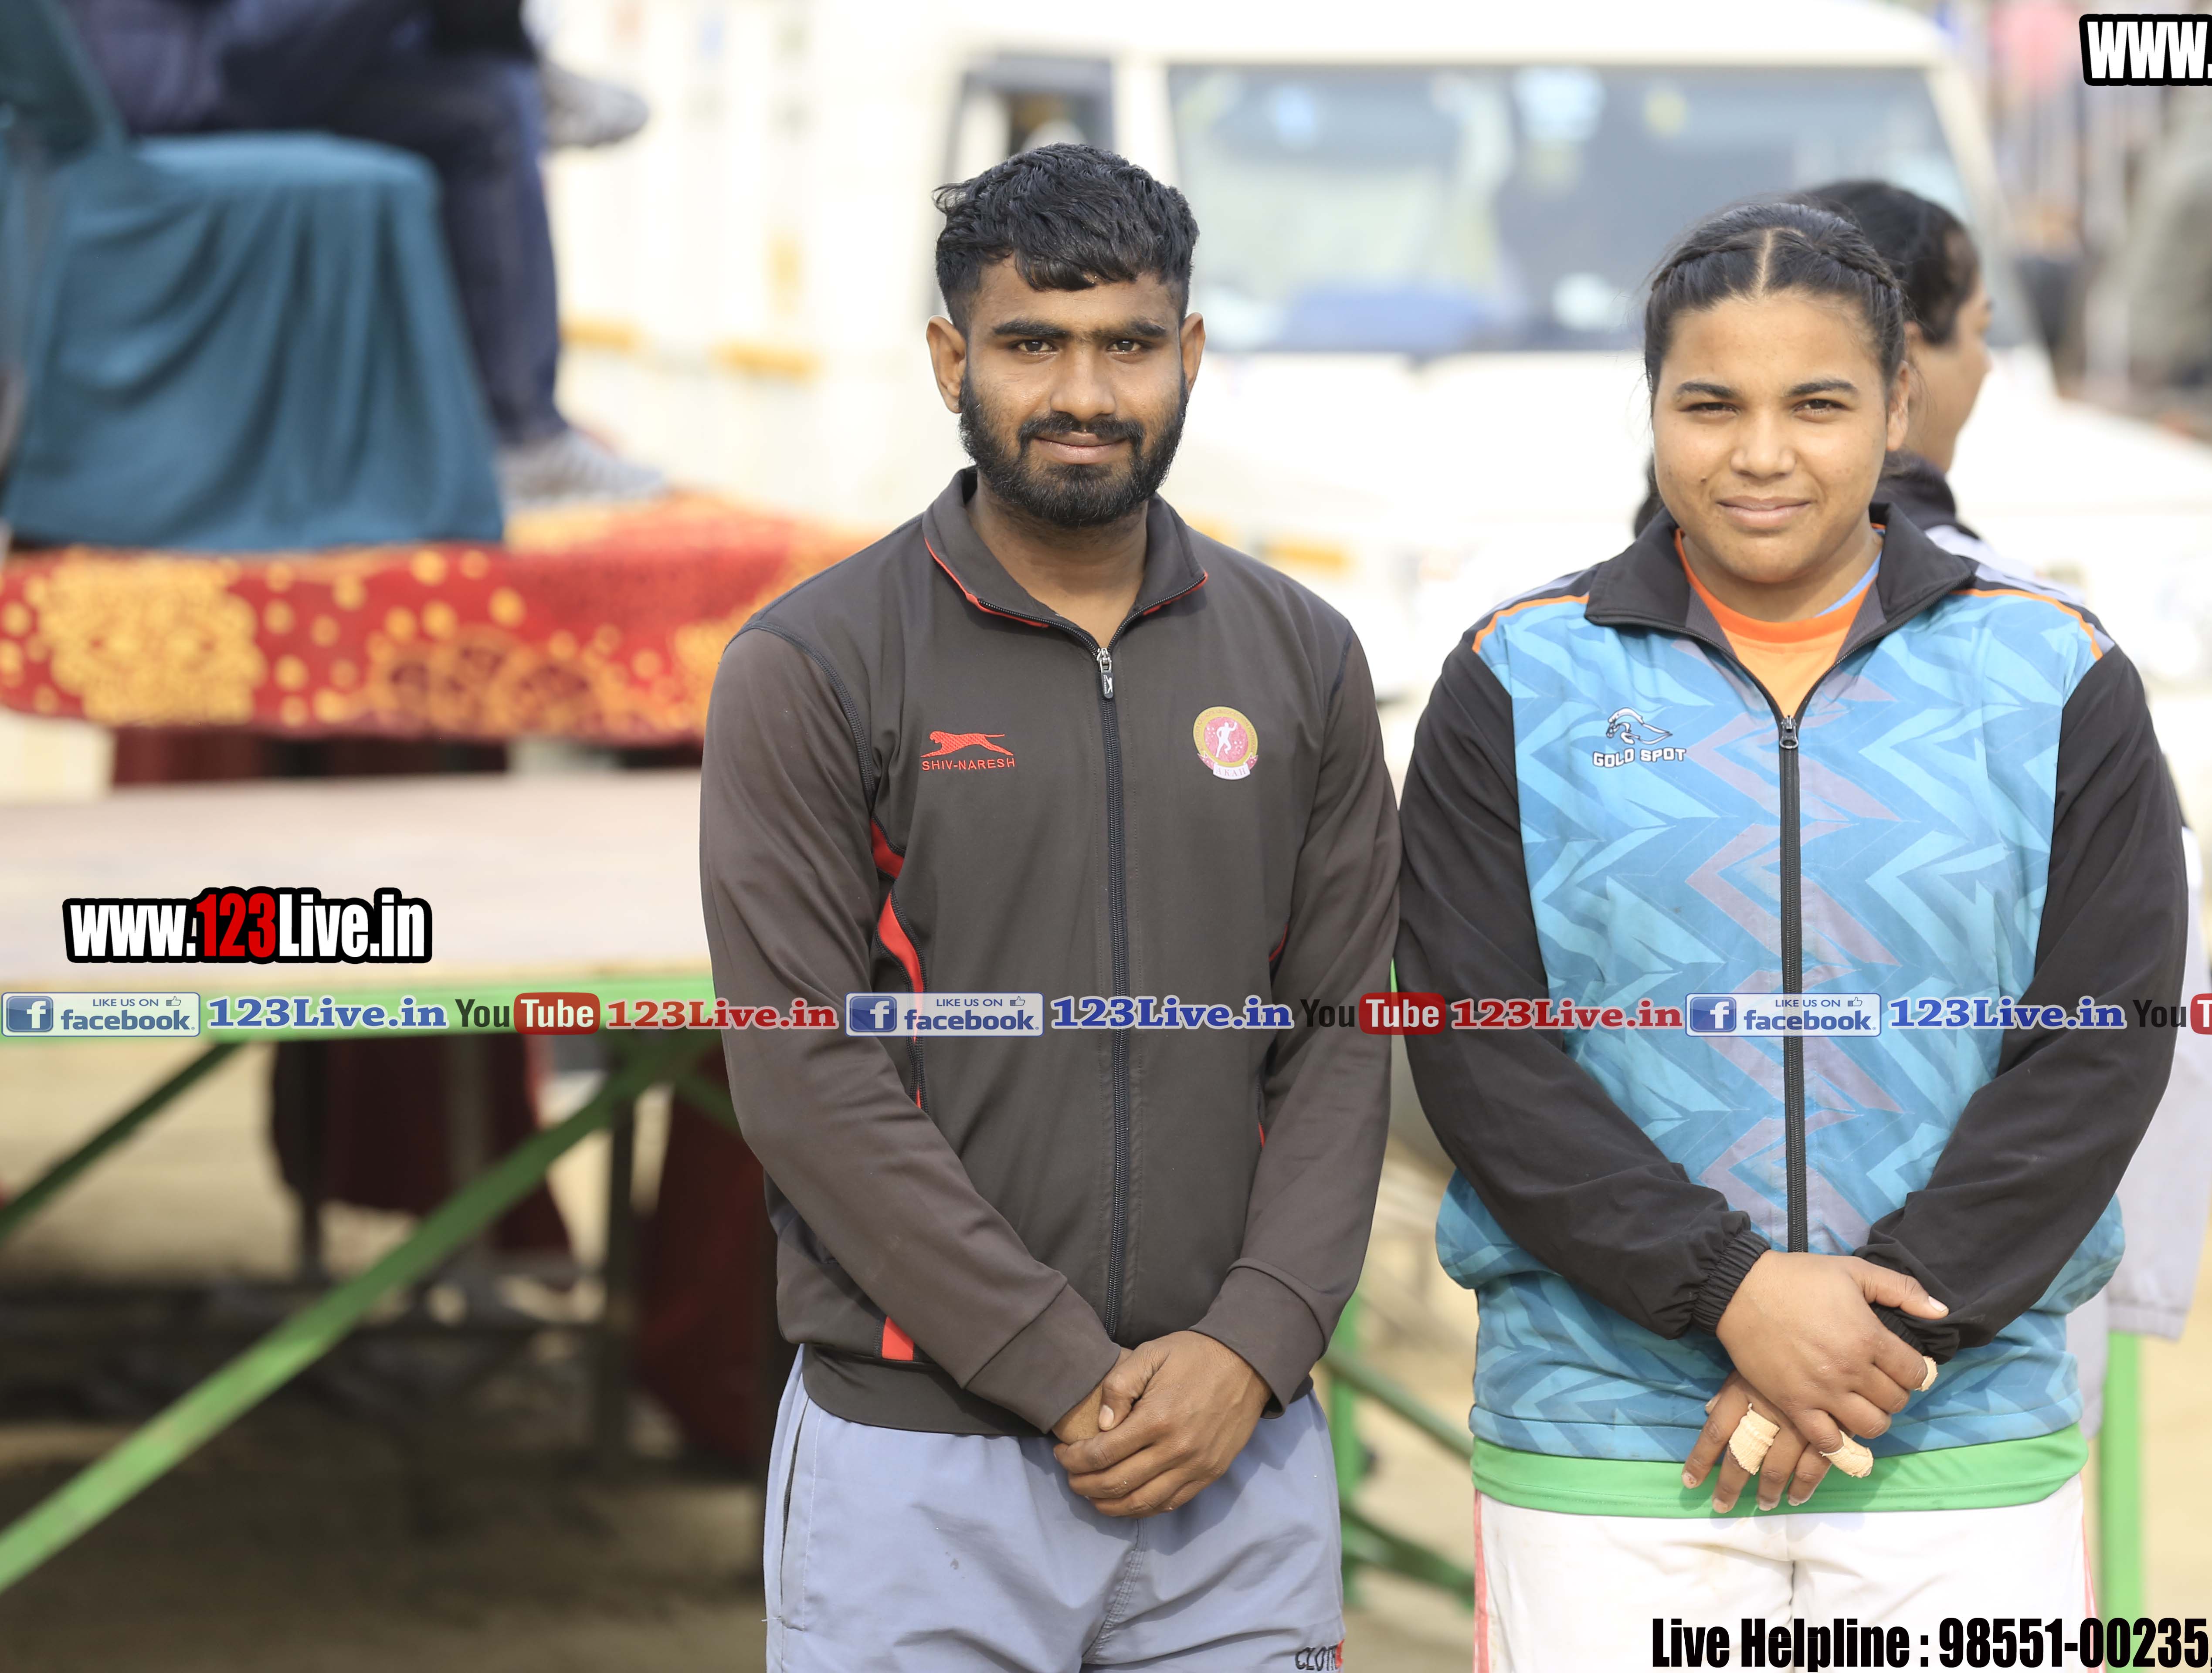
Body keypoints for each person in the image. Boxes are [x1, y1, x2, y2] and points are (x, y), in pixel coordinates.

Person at [1398, 201, 2186, 1658]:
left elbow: (2099, 1050)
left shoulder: (2053, 673)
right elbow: (1478, 1051)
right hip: (1609, 1435)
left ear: (1898, 406)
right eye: (1712, 405)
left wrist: (1875, 1341)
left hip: (1952, 1435)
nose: (1762, 454)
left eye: (1816, 404)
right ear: (1652, 409)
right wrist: (1732, 1292)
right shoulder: (1518, 679)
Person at [699, 143, 1397, 1672]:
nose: (1085, 392)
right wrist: (1057, 1365)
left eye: (1128, 345)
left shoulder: (1304, 658)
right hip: (918, 1458)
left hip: (1238, 1449)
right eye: (1032, 344)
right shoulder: (813, 666)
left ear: (1189, 352)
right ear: (953, 359)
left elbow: (1345, 1031)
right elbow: (804, 1072)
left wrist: (1251, 1345)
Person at [1797, 177, 2212, 1426]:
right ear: (1903, 365)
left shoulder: (1568, 647)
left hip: (1661, 1366)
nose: (1988, 364)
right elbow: (2151, 1008)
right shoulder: (2043, 648)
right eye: (1978, 329)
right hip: (1970, 1356)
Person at [67, 0, 664, 507]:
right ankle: (522, 63)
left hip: (229, 49)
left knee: (492, 100)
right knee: (494, 105)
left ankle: (518, 71)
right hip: (179, 63)